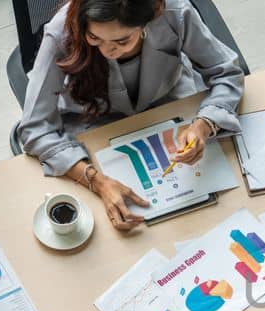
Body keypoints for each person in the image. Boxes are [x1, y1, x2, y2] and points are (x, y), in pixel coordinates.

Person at [17, 0, 245, 232]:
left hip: (168, 104)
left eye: (122, 40)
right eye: (94, 38)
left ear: (149, 21)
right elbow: (35, 128)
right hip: (94, 124)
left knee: (212, 215)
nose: (106, 51)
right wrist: (97, 181)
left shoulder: (175, 11)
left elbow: (227, 73)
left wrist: (205, 123)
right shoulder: (61, 30)